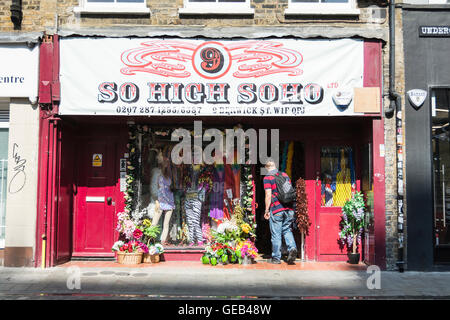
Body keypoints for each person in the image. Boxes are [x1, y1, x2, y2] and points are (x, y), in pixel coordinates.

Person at [263, 159, 298, 264]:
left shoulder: (267, 178)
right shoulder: (285, 175)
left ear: (266, 168)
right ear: (275, 166)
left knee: (276, 234)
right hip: (289, 208)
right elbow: (289, 190)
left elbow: (268, 195)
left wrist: (266, 210)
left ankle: (276, 258)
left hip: (277, 208)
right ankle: (292, 248)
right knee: (287, 229)